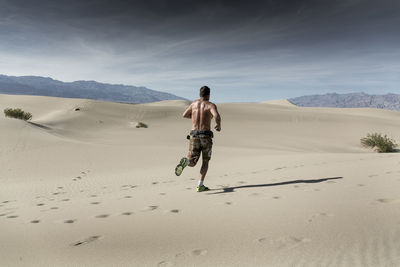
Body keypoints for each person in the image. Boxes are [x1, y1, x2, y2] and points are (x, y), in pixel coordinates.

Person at [175, 86, 221, 192]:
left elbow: (184, 115)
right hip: (206, 136)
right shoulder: (210, 105)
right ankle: (200, 185)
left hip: (194, 135)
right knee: (205, 161)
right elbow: (217, 116)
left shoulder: (193, 104)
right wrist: (218, 125)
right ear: (208, 95)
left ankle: (187, 162)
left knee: (193, 161)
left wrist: (195, 117)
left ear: (200, 94)